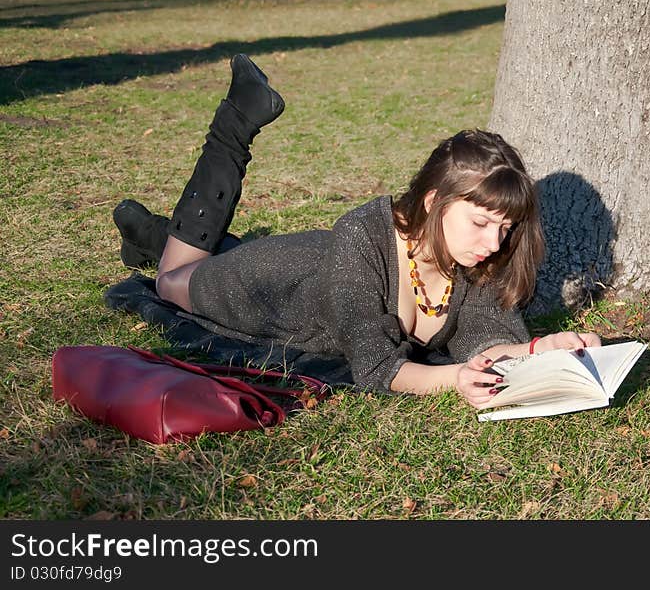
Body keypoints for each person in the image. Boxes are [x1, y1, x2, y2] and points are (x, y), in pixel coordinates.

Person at [112, 54, 601, 408]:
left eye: (505, 227)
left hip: (320, 268)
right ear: (435, 201)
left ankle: (154, 236)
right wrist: (455, 380)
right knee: (170, 281)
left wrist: (540, 348)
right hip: (261, 285)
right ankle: (236, 120)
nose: (494, 242)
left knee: (193, 257)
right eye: (480, 223)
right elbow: (375, 368)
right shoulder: (363, 234)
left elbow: (483, 340)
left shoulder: (478, 253)